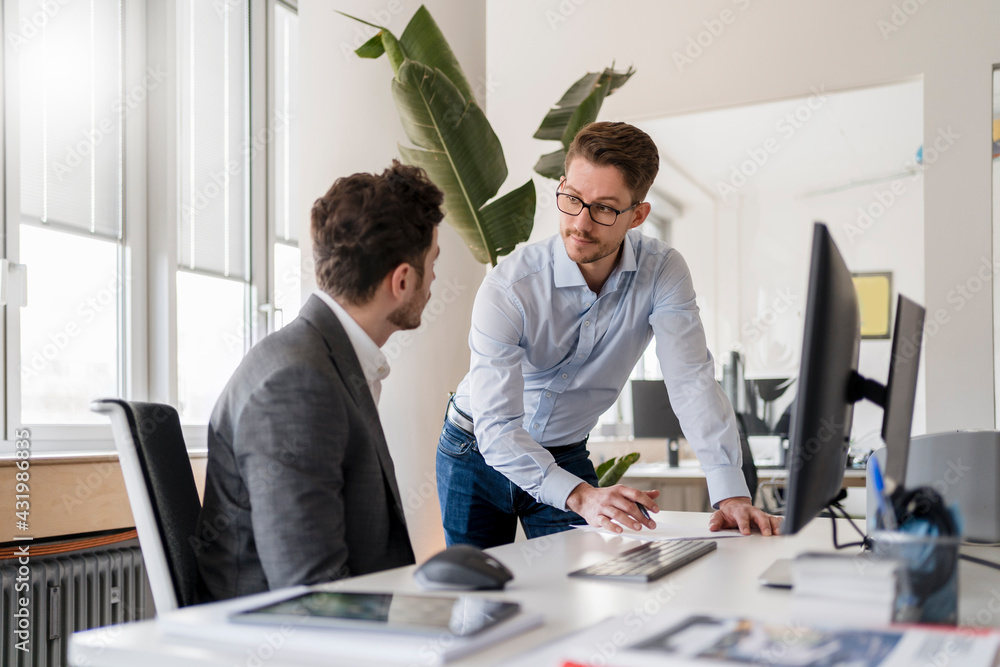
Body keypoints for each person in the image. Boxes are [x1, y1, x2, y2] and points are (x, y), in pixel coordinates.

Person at [436, 122, 782, 549]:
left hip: (564, 451)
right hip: (475, 449)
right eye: (572, 200)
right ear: (562, 186)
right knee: (478, 598)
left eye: (603, 208)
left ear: (637, 215)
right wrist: (580, 495)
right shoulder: (510, 288)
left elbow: (691, 379)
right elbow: (497, 427)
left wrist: (730, 491)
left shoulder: (663, 273)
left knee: (572, 592)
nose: (581, 223)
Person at [195, 160, 443, 601]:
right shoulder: (295, 386)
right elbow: (310, 593)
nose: (434, 281)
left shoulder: (320, 359)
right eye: (432, 264)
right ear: (402, 280)